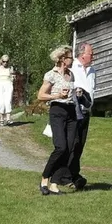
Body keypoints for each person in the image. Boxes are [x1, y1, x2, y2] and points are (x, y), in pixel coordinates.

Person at [36, 45, 79, 195]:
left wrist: (77, 92)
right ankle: (44, 178)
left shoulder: (71, 75)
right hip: (57, 110)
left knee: (69, 148)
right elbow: (41, 95)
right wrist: (57, 96)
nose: (73, 60)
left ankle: (54, 183)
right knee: (60, 147)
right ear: (62, 59)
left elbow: (70, 93)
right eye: (71, 57)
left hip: (71, 111)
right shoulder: (51, 75)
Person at [68, 42, 96, 189]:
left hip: (86, 112)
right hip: (74, 111)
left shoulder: (92, 70)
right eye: (91, 54)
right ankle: (68, 176)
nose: (93, 56)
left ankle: (74, 174)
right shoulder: (72, 67)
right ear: (82, 55)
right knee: (73, 143)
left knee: (80, 145)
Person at [0, 54, 15, 122]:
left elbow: (12, 76)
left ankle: (8, 118)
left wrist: (13, 78)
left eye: (7, 61)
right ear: (1, 61)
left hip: (8, 84)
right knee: (1, 102)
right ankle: (1, 119)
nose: (5, 63)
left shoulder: (10, 68)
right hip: (0, 83)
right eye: (4, 61)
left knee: (8, 101)